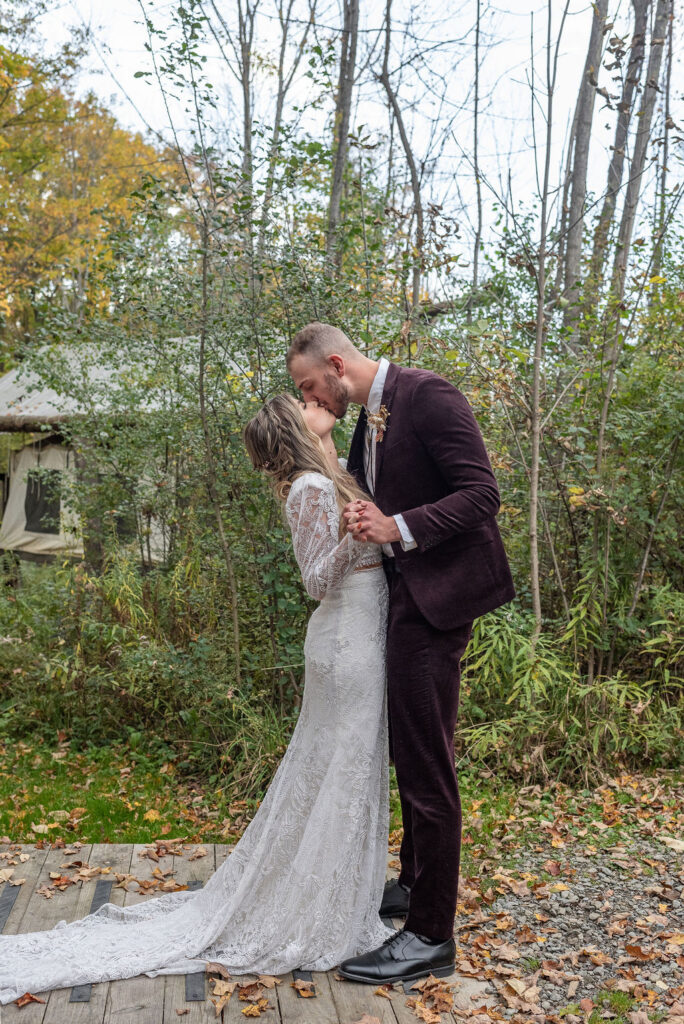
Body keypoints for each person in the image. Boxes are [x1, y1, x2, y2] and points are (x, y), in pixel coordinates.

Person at [0, 394, 397, 1005]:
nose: (319, 405)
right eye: (306, 403)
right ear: (295, 426)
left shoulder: (325, 477)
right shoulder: (313, 488)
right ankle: (321, 912)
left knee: (342, 769)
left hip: (357, 632)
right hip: (346, 639)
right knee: (342, 770)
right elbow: (316, 579)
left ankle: (333, 896)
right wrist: (355, 533)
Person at [286, 322, 516, 984]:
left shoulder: (429, 395)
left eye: (311, 387)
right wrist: (330, 451)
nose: (313, 400)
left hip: (440, 599)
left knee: (425, 764)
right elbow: (359, 492)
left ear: (336, 364)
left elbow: (482, 495)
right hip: (405, 597)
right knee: (414, 747)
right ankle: (416, 885)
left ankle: (430, 936)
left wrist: (398, 528)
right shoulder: (368, 420)